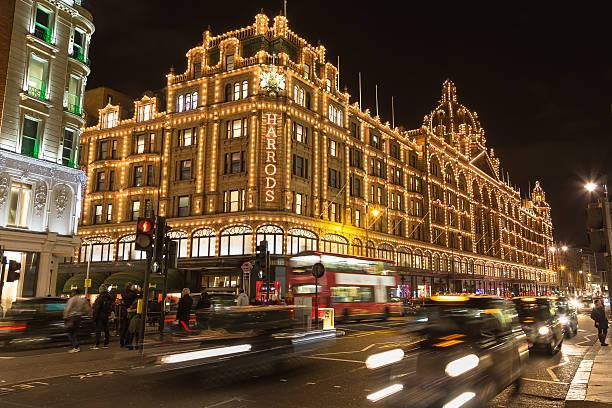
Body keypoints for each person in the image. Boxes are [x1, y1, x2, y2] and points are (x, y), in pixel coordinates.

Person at [63, 288, 91, 352]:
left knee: (70, 333)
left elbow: (68, 309)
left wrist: (65, 317)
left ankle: (76, 347)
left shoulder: (71, 300)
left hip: (72, 317)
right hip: (79, 317)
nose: (71, 293)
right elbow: (87, 309)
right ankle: (75, 346)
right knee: (74, 332)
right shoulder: (82, 300)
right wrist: (89, 315)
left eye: (72, 292)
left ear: (74, 293)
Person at [92, 285, 112, 349]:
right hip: (106, 316)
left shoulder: (100, 298)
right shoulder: (109, 298)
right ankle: (106, 343)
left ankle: (97, 344)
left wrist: (94, 317)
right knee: (106, 329)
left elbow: (96, 308)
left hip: (99, 316)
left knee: (98, 330)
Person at [119, 282, 137, 347]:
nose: (134, 287)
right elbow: (136, 296)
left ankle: (121, 342)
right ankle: (127, 342)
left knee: (124, 327)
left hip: (124, 311)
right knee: (129, 327)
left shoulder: (123, 293)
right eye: (133, 286)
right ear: (130, 287)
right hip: (130, 311)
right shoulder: (133, 294)